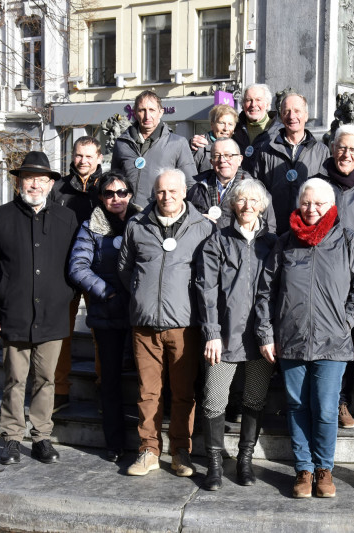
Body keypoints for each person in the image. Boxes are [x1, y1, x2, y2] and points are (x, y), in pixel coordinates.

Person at [255, 178, 354, 499]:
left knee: (324, 407)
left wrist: (347, 320)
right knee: (296, 406)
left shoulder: (348, 241)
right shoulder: (285, 243)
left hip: (333, 343)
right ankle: (303, 469)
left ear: (331, 206)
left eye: (319, 203)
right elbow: (266, 291)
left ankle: (324, 469)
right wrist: (267, 334)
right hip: (291, 340)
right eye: (306, 203)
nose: (312, 209)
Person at [0, 151, 78, 465]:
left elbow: (77, 265)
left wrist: (65, 298)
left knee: (46, 379)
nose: (35, 184)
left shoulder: (67, 219)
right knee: (14, 379)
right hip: (14, 314)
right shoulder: (1, 216)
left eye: (41, 178)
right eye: (29, 178)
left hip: (53, 315)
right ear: (20, 181)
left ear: (51, 184)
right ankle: (10, 437)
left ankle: (42, 438)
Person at [117, 168, 215, 478]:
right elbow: (124, 268)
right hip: (144, 324)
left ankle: (181, 451)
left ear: (184, 192)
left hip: (185, 325)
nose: (166, 196)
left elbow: (208, 277)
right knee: (148, 391)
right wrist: (140, 294)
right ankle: (148, 450)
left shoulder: (202, 227)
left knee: (184, 392)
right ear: (154, 193)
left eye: (173, 191)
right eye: (161, 191)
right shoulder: (137, 225)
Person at [196, 179, 278, 491]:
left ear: (262, 206)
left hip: (260, 337)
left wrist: (270, 333)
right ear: (233, 205)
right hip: (224, 335)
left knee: (255, 399)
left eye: (253, 201)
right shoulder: (218, 241)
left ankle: (244, 460)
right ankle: (214, 464)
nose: (247, 207)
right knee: (214, 400)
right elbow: (207, 290)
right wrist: (212, 332)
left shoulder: (272, 243)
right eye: (241, 201)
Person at [68, 172, 138, 464]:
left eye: (122, 192)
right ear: (101, 198)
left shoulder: (143, 221)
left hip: (139, 314)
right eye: (109, 194)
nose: (116, 198)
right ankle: (115, 442)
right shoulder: (90, 227)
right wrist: (107, 293)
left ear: (130, 195)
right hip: (107, 314)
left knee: (147, 381)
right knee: (109, 381)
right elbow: (78, 267)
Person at [311, 123, 354, 428]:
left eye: (352, 149)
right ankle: (331, 401)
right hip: (322, 274)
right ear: (332, 149)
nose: (346, 154)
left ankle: (342, 399)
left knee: (349, 339)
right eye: (341, 147)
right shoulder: (318, 184)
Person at [50, 136, 105, 412]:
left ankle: (102, 385)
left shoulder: (108, 188)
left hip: (97, 270)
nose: (83, 161)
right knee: (63, 332)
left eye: (88, 156)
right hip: (64, 269)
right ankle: (60, 388)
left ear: (99, 158)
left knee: (100, 331)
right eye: (78, 155)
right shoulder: (58, 188)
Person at [254, 92, 330, 235]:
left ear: (306, 115)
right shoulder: (265, 150)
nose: (291, 116)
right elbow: (258, 190)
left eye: (297, 111)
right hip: (273, 228)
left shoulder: (322, 151)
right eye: (286, 111)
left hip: (308, 228)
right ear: (281, 117)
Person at [111, 90, 197, 208]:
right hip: (127, 215)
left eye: (152, 110)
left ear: (160, 112)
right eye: (142, 110)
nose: (147, 116)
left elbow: (191, 186)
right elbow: (113, 182)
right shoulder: (121, 144)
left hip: (161, 214)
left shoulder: (178, 143)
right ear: (135, 113)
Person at [187, 137, 276, 231]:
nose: (222, 160)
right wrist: (196, 220)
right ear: (211, 161)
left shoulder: (256, 191)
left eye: (228, 155)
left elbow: (269, 230)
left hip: (238, 244)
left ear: (239, 159)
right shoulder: (195, 186)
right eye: (217, 156)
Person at [190, 84, 282, 174]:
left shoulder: (280, 132)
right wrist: (192, 143)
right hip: (236, 187)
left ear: (267, 104)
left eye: (258, 100)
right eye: (248, 100)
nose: (253, 104)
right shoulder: (235, 128)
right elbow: (216, 138)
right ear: (242, 105)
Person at [192, 105, 240, 174]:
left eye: (230, 124)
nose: (226, 129)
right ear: (212, 125)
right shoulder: (199, 145)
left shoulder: (238, 146)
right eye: (221, 123)